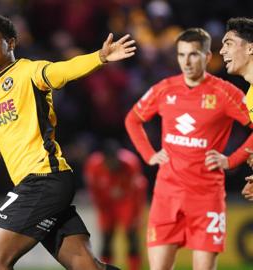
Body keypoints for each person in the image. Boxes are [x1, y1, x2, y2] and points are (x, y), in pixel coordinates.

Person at [0, 14, 136, 270]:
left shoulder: (29, 72)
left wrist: (99, 57)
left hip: (42, 179)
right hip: (46, 184)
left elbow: (62, 71)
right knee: (87, 267)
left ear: (11, 43)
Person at [125, 28, 253, 270]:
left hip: (206, 197)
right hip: (166, 195)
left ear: (206, 57)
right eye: (181, 55)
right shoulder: (165, 88)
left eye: (193, 55)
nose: (186, 61)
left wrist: (232, 160)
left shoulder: (226, 93)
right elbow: (132, 119)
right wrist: (149, 155)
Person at [83, 139, 147, 270]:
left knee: (132, 237)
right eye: (109, 160)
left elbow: (139, 189)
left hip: (126, 203)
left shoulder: (130, 162)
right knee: (107, 238)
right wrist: (100, 208)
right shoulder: (94, 165)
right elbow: (93, 189)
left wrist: (137, 213)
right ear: (104, 158)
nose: (112, 164)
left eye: (114, 159)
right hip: (106, 204)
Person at [219, 17, 253, 201]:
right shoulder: (250, 96)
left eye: (229, 44)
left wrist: (230, 161)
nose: (222, 50)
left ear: (250, 48)